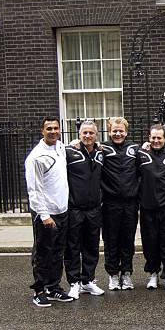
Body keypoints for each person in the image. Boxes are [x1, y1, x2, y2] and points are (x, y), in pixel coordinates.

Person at [25, 117, 73, 307]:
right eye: (49, 129)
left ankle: (53, 288)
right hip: (46, 215)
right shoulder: (36, 157)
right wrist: (44, 215)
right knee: (42, 253)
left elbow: (71, 146)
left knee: (57, 253)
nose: (53, 131)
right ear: (42, 131)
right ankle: (39, 290)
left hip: (62, 210)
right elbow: (34, 190)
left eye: (55, 128)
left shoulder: (60, 147)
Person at [64, 120, 105, 299]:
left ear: (96, 135)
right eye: (84, 133)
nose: (87, 136)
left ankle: (88, 280)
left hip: (94, 209)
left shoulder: (101, 153)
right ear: (79, 134)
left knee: (92, 246)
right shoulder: (68, 152)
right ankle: (74, 283)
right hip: (75, 208)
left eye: (91, 133)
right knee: (73, 246)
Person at [137, 124, 165, 292]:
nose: (156, 141)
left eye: (159, 138)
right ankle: (153, 273)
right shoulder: (140, 155)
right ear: (149, 138)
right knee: (150, 243)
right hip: (147, 207)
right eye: (153, 138)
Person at [100, 117, 140, 291]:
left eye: (121, 130)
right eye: (114, 131)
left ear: (126, 131)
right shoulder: (102, 148)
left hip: (130, 203)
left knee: (128, 240)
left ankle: (127, 273)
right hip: (110, 203)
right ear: (109, 131)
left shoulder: (135, 149)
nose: (118, 134)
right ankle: (113, 275)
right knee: (111, 240)